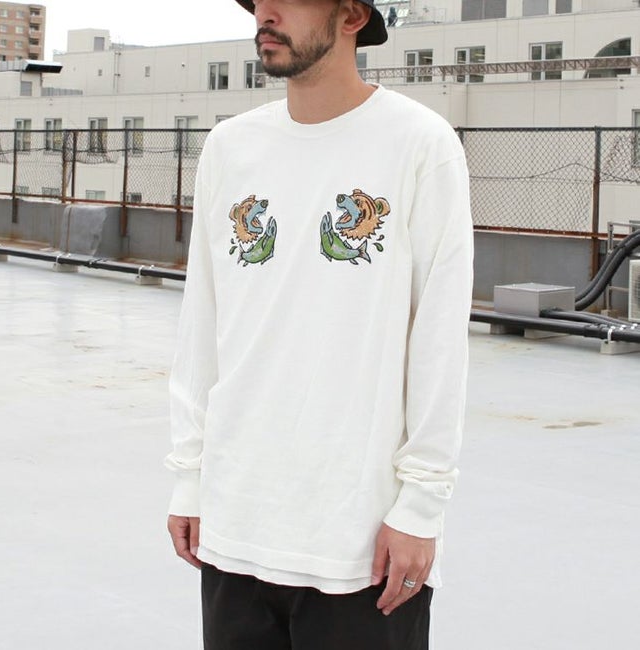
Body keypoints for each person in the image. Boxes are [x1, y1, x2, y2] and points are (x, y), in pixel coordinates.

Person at [166, 1, 473, 648]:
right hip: (234, 525)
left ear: (352, 16)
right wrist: (189, 478)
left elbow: (439, 340)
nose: (266, 12)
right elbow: (202, 325)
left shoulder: (419, 143)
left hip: (360, 545)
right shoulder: (230, 147)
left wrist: (421, 505)